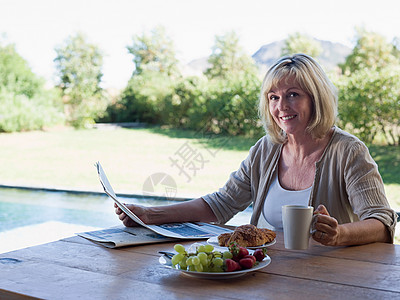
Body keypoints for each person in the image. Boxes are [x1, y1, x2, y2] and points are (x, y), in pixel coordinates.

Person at [115, 53, 397, 246]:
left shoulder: (348, 151)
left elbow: (383, 222)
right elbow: (221, 204)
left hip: (328, 276)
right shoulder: (266, 150)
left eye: (293, 95)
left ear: (316, 99)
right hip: (264, 275)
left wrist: (339, 234)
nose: (281, 107)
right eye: (273, 97)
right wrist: (150, 215)